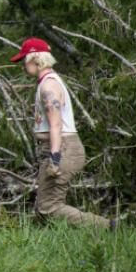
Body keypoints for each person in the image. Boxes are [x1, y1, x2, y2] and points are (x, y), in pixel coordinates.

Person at [12, 37, 110, 228]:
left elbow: (56, 125)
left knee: (49, 207)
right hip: (59, 147)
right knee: (43, 208)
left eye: (24, 60)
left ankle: (107, 227)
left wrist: (54, 159)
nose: (22, 66)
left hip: (62, 148)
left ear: (36, 59)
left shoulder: (49, 86)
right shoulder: (46, 83)